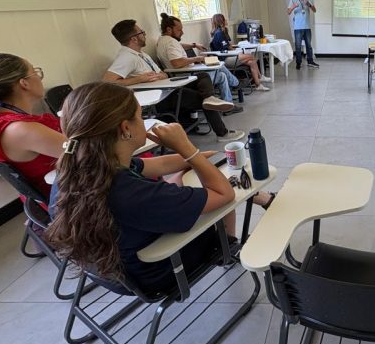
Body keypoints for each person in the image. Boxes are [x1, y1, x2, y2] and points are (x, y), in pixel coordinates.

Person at [46, 83, 275, 294]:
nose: (145, 122)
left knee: (187, 177)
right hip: (158, 271)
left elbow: (161, 164)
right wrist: (186, 147)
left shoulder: (79, 169)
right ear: (125, 128)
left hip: (116, 270)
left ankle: (242, 204)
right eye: (140, 116)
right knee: (223, 202)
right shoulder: (131, 194)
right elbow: (224, 194)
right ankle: (226, 250)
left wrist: (196, 157)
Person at [102, 19, 243, 143]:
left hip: (168, 86)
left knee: (202, 76)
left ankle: (210, 97)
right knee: (203, 99)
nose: (144, 34)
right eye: (141, 32)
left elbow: (162, 73)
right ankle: (222, 132)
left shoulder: (141, 54)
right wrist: (140, 79)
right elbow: (107, 83)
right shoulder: (127, 57)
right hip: (162, 97)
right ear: (133, 39)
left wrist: (161, 75)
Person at [0, 53, 64, 199]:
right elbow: (91, 154)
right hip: (67, 199)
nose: (39, 77)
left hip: (50, 193)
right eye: (34, 72)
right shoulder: (22, 130)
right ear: (24, 83)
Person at [156, 13, 243, 112]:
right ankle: (236, 84)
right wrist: (196, 59)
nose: (182, 32)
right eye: (179, 30)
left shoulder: (162, 40)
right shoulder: (171, 42)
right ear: (169, 30)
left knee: (221, 74)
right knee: (220, 68)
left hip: (183, 75)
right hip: (189, 78)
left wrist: (194, 45)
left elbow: (179, 46)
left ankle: (229, 100)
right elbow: (176, 63)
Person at [209, 13, 271, 90]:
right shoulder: (219, 33)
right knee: (251, 56)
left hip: (230, 55)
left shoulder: (222, 31)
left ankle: (258, 85)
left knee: (252, 62)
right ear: (221, 21)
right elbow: (228, 47)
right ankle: (260, 77)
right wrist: (236, 51)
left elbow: (229, 45)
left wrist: (235, 49)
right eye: (224, 19)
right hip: (225, 59)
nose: (226, 20)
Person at [287, 0, 318, 70]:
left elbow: (314, 10)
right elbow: (288, 12)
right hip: (298, 27)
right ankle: (298, 63)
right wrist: (293, 7)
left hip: (307, 26)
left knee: (309, 45)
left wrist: (309, 5)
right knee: (298, 46)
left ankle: (310, 61)